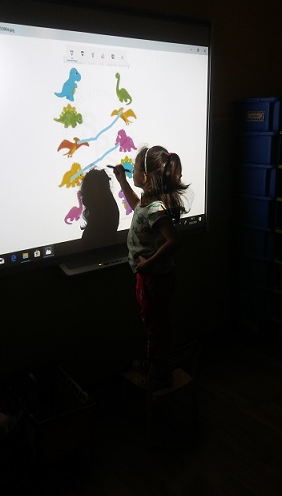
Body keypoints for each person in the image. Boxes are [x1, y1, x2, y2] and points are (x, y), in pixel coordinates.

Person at [112, 145, 190, 387]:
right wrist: (122, 181)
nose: (132, 171)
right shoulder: (148, 202)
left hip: (154, 279)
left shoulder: (156, 208)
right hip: (150, 277)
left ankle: (159, 374)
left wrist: (148, 263)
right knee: (154, 324)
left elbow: (173, 240)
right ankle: (154, 365)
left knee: (155, 328)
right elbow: (137, 206)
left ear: (144, 177)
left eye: (134, 169)